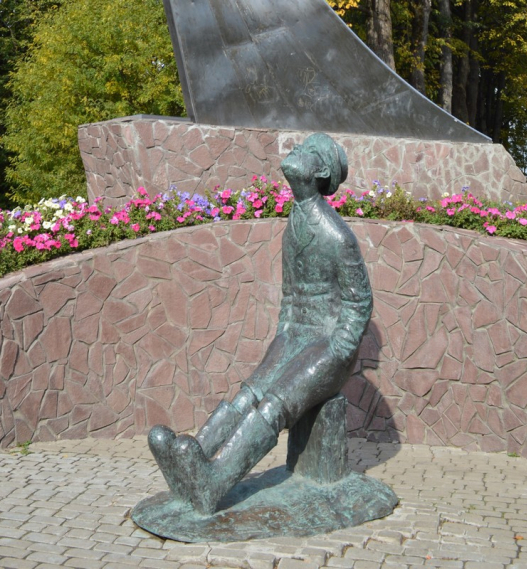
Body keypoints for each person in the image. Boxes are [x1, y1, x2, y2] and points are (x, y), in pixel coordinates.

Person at [148, 133, 373, 515]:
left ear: (320, 171)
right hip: (295, 336)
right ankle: (192, 459)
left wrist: (339, 349)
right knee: (247, 395)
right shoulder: (296, 223)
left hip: (328, 347)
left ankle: (214, 481)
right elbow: (290, 296)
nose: (296, 150)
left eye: (307, 150)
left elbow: (359, 302)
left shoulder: (337, 236)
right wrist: (283, 334)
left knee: (271, 406)